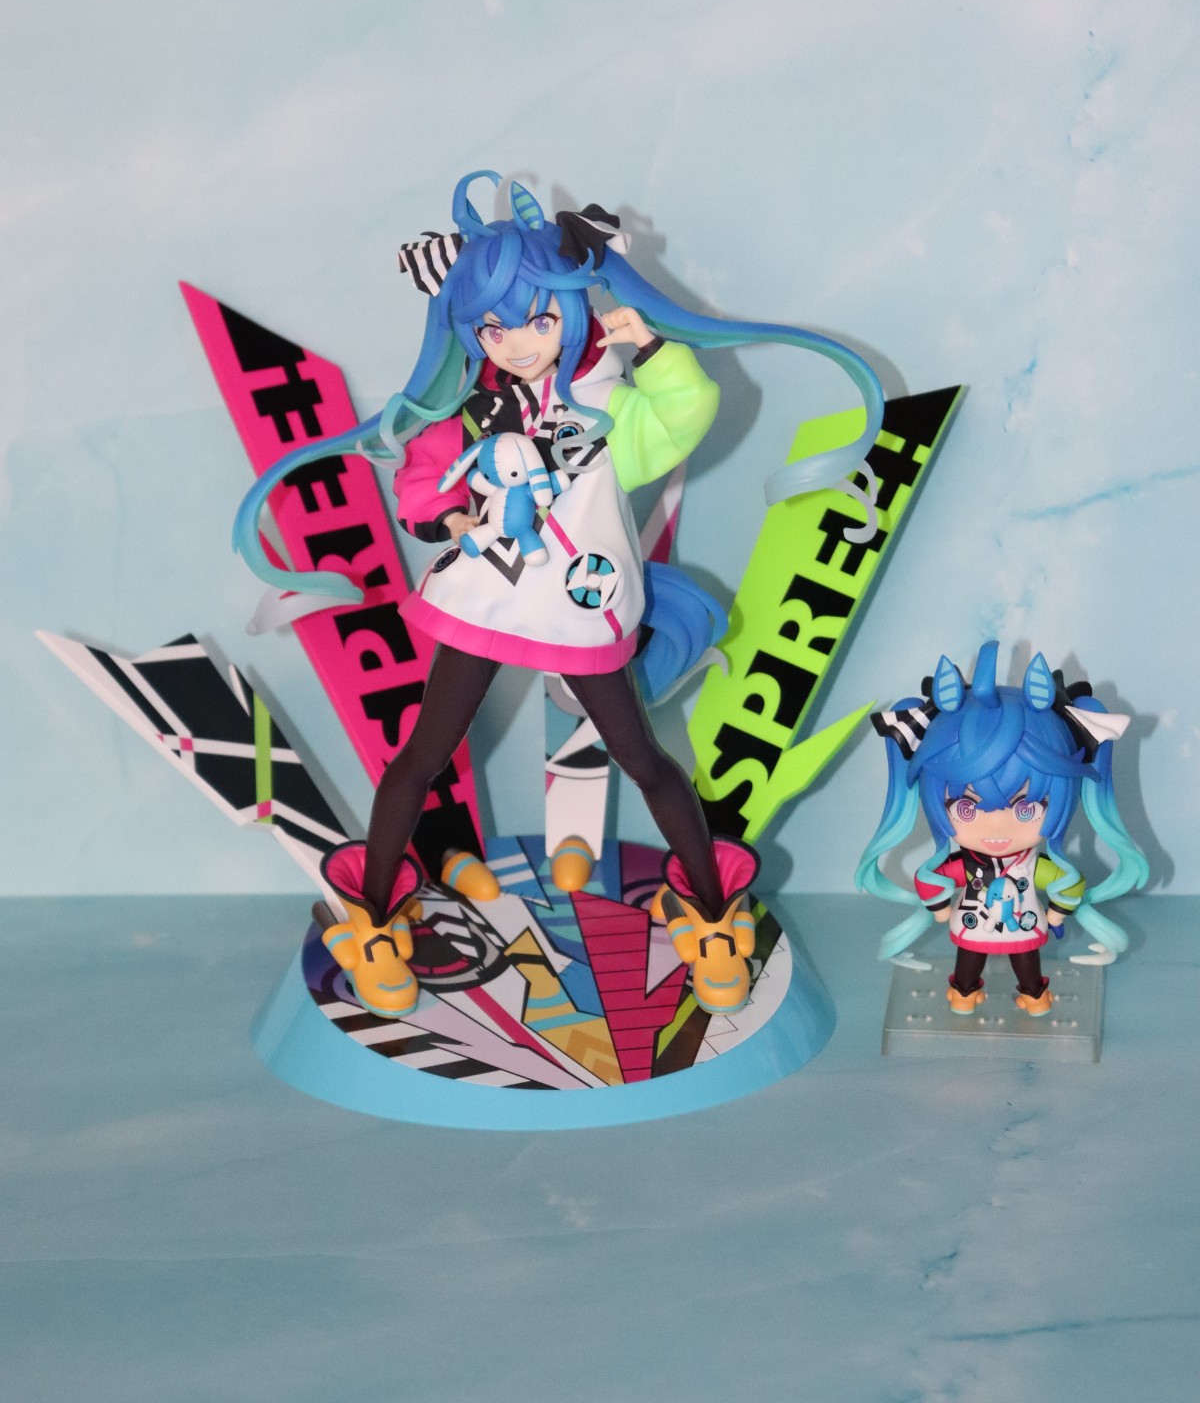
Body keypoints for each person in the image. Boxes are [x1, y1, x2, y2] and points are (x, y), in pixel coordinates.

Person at [236, 172, 885, 1016]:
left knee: (643, 760)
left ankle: (711, 911)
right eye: (494, 326)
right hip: (486, 598)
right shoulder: (468, 404)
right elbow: (420, 479)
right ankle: (372, 917)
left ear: (571, 309)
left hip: (579, 608)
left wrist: (650, 347)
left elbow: (686, 412)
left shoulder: (609, 397)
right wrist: (450, 514)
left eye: (538, 319)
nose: (516, 341)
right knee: (423, 757)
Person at [855, 639, 1148, 1014]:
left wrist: (1057, 913)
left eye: (1026, 808)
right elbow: (931, 878)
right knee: (968, 963)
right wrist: (940, 907)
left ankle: (1034, 995)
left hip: (1023, 926)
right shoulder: (968, 863)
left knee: (1027, 965)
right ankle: (964, 994)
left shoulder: (1029, 864)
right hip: (973, 926)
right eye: (966, 808)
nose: (997, 826)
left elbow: (1068, 882)